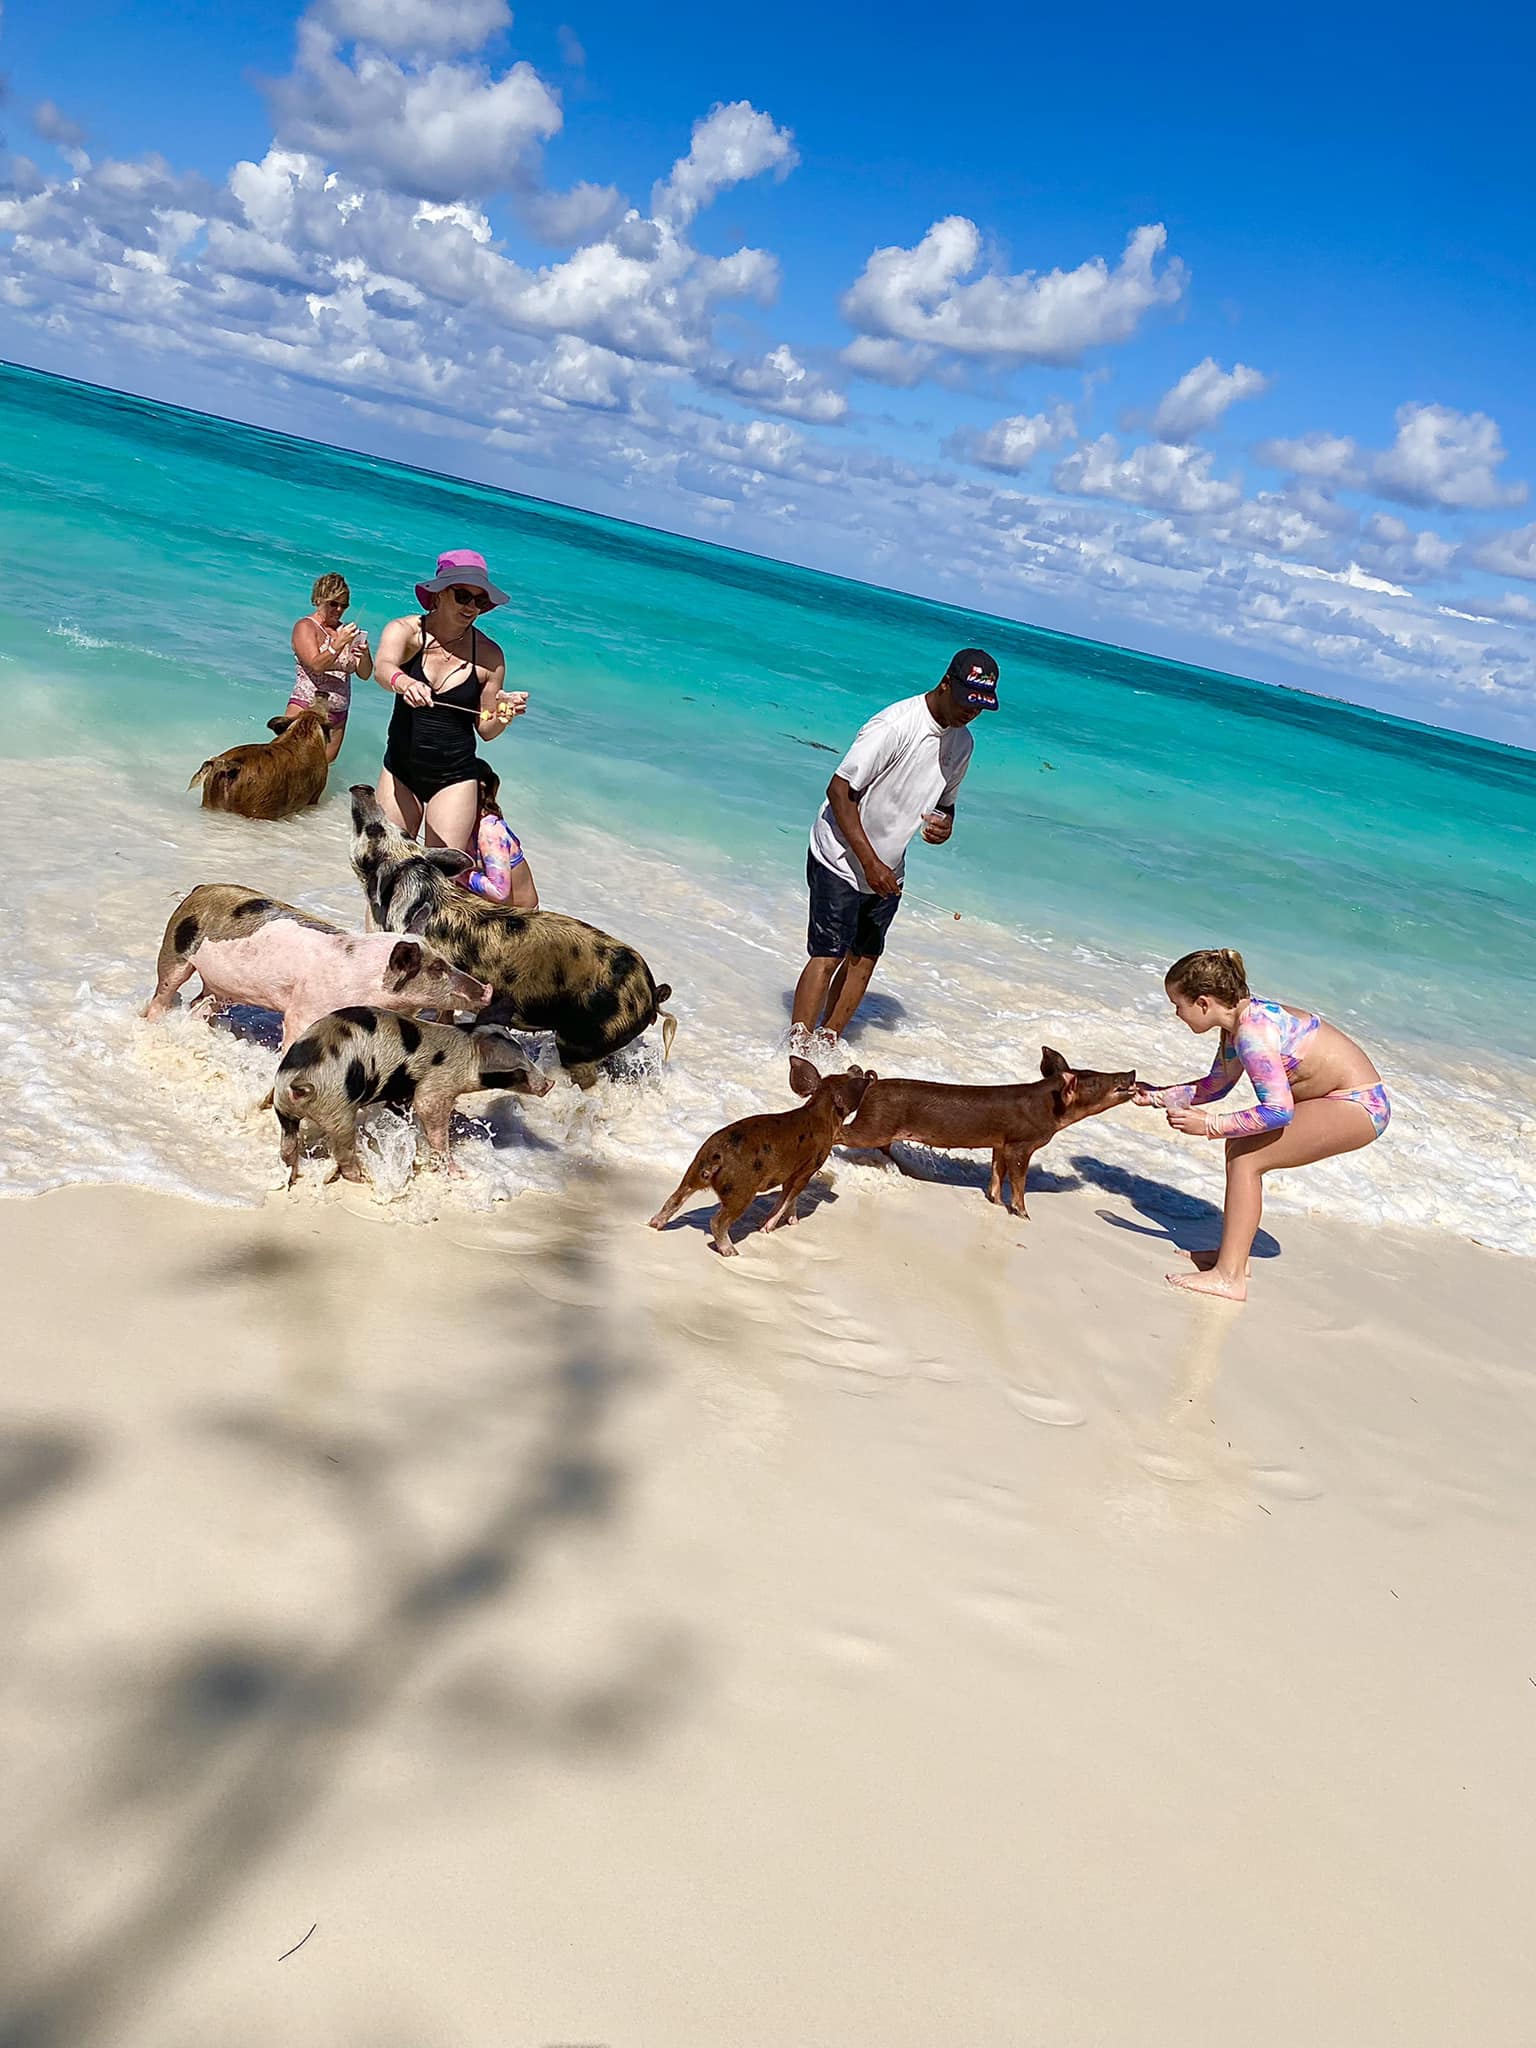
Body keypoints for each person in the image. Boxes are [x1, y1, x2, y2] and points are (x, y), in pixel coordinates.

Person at [1136, 947, 1391, 1300]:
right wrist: (1156, 1096)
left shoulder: (1252, 1033)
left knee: (1245, 1158)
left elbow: (1278, 1111)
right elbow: (1216, 1085)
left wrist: (1210, 1124)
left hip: (1360, 1105)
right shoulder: (1237, 1025)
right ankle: (1233, 1260)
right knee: (1239, 1148)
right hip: (1343, 1100)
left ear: (1204, 1002)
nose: (1177, 1013)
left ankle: (1230, 1277)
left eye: (1178, 1005)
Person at [791, 648, 998, 1044]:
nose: (972, 712)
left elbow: (945, 805)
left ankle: (828, 1041)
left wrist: (945, 827)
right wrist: (869, 864)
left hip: (888, 866)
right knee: (830, 954)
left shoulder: (963, 745)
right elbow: (839, 791)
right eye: (967, 701)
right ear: (946, 684)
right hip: (838, 855)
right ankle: (796, 1049)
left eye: (980, 706)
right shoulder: (895, 725)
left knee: (865, 957)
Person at [374, 549, 527, 854]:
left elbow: (486, 728)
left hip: (455, 778)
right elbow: (382, 668)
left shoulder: (490, 655)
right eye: (463, 596)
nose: (471, 606)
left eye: (479, 600)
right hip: (400, 770)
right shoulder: (406, 632)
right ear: (440, 593)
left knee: (439, 879)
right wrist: (404, 682)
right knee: (385, 870)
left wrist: (506, 712)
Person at [285, 572, 372, 764]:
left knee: (321, 772)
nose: (339, 609)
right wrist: (338, 644)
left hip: (338, 715)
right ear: (319, 599)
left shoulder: (346, 631)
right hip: (306, 708)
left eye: (344, 605)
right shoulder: (305, 627)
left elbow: (365, 674)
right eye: (333, 603)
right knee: (290, 767)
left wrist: (365, 655)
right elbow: (315, 664)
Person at [457, 759, 538, 907]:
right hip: (495, 912)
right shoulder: (467, 822)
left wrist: (457, 873)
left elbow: (499, 893)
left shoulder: (490, 831)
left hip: (520, 920)